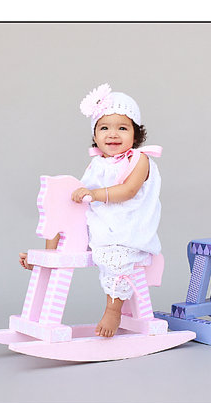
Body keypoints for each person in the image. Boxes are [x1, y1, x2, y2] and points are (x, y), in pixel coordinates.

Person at [19, 83, 161, 338]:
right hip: (99, 219)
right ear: (95, 135)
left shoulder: (139, 159)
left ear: (136, 134)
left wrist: (94, 194)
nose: (113, 134)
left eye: (122, 128)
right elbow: (80, 195)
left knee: (116, 256)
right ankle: (48, 256)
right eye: (104, 128)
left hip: (126, 225)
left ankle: (113, 309)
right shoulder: (97, 163)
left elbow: (128, 190)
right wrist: (81, 196)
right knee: (66, 214)